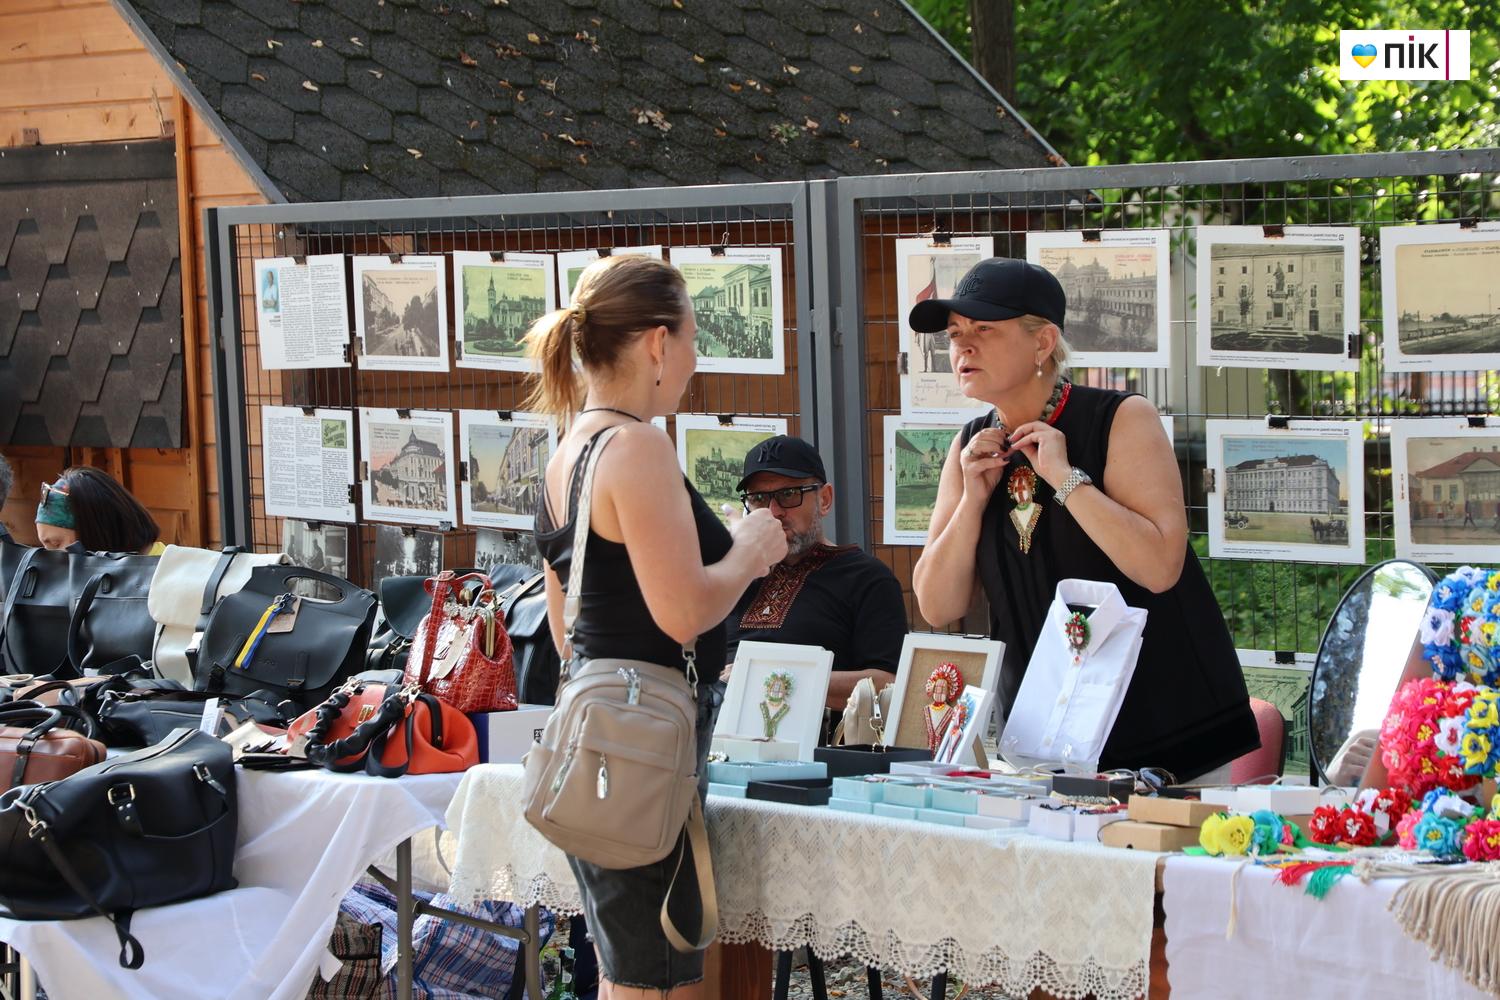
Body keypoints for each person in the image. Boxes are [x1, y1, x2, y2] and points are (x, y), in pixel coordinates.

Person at [527, 254, 786, 998]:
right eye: (694, 338)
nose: (696, 361)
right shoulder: (636, 447)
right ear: (656, 343)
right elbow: (683, 612)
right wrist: (748, 552)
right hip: (647, 744)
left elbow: (565, 628)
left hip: (610, 738)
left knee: (643, 965)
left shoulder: (565, 457)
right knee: (659, 980)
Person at [910, 258, 1258, 781]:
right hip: (1045, 738)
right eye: (956, 333)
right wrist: (971, 501)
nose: (962, 346)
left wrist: (1065, 477)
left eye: (984, 329)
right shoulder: (969, 447)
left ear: (1043, 343)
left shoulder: (1121, 418)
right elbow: (938, 605)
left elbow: (1162, 566)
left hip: (1166, 732)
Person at [726, 435, 907, 714]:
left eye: (789, 495)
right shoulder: (732, 573)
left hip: (815, 747)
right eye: (759, 498)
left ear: (824, 499)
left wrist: (767, 679)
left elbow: (889, 684)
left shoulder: (867, 578)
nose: (774, 512)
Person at [34, 466, 163, 555]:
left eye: (56, 544)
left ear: (99, 529)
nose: (48, 560)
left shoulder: (171, 574)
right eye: (46, 547)